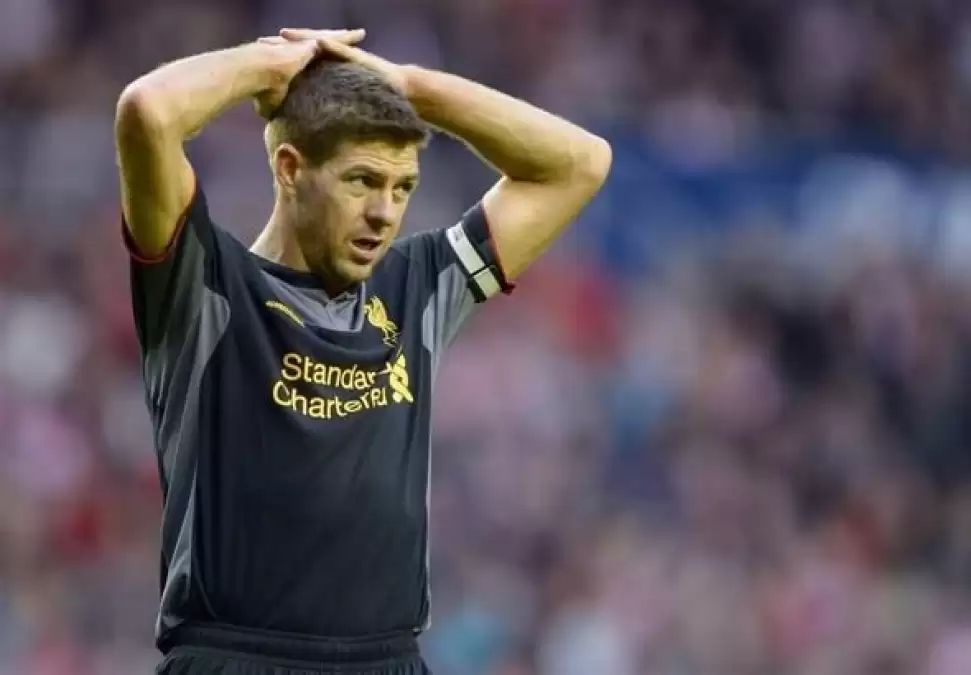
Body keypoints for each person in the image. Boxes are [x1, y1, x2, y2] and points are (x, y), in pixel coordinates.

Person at [114, 26, 611, 675]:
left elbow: (580, 164)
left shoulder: (416, 286)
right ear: (290, 170)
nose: (384, 212)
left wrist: (407, 86)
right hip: (235, 657)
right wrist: (271, 66)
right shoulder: (205, 283)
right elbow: (148, 112)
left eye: (402, 187)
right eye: (362, 180)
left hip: (388, 660)